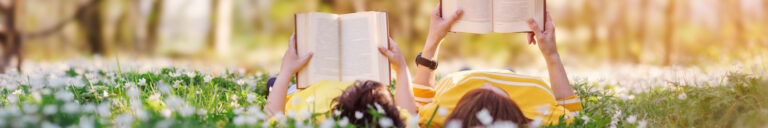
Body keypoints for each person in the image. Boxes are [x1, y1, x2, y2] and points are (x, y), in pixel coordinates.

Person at [411, 2, 582, 127]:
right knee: (509, 71)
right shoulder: (543, 119)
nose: (488, 83)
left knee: (465, 70)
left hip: (461, 79)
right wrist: (551, 54)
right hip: (518, 80)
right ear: (513, 111)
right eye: (499, 92)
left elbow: (419, 101)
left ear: (463, 109)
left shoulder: (442, 117)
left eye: (477, 93)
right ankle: (508, 72)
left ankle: (469, 73)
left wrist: (434, 40)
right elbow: (573, 113)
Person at [263, 34, 418, 127]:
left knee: (274, 84)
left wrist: (285, 73)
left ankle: (277, 83)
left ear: (335, 113)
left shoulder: (310, 120)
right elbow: (409, 116)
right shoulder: (393, 120)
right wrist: (401, 67)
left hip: (305, 89)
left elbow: (271, 118)